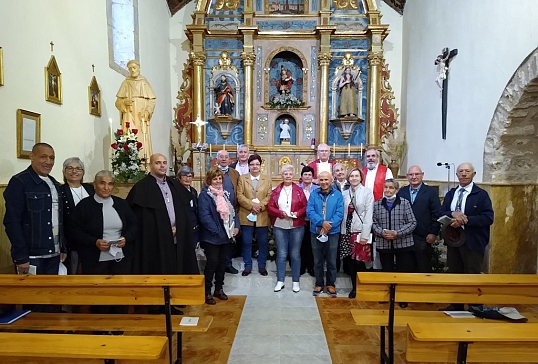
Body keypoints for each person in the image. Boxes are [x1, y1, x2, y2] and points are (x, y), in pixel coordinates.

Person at [71, 170, 137, 315]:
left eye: (110, 184)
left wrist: (126, 238)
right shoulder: (84, 206)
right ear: (94, 185)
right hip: (95, 259)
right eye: (102, 183)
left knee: (119, 294)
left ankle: (118, 328)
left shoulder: (121, 204)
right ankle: (101, 330)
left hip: (120, 258)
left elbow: (133, 225)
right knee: (100, 295)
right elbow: (75, 231)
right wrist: (94, 242)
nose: (106, 187)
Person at [126, 154, 198, 277]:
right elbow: (140, 219)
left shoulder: (174, 185)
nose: (162, 165)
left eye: (164, 162)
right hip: (155, 241)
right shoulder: (141, 188)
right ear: (150, 165)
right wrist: (165, 229)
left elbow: (184, 212)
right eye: (158, 163)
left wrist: (178, 226)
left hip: (177, 237)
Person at [4, 143, 66, 276]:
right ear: (32, 157)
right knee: (30, 296)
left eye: (52, 158)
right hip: (31, 256)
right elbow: (12, 222)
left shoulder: (54, 183)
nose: (48, 162)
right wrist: (21, 256)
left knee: (51, 295)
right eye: (43, 157)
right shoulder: (19, 182)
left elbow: (60, 219)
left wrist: (63, 246)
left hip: (54, 254)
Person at [438, 163, 494, 311]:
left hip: (473, 241)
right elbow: (441, 212)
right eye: (461, 171)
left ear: (473, 174)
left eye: (467, 171)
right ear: (456, 175)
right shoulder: (451, 194)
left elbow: (488, 218)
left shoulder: (481, 195)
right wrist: (453, 214)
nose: (463, 174)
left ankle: (475, 305)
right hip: (454, 241)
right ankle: (456, 305)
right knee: (455, 274)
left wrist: (466, 220)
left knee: (472, 274)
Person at [372, 179, 417, 307]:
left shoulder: (404, 203)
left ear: (396, 190)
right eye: (385, 187)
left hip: (402, 243)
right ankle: (387, 296)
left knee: (402, 271)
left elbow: (412, 222)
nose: (388, 190)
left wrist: (398, 232)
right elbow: (374, 222)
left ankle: (401, 297)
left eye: (391, 188)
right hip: (384, 243)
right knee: (387, 271)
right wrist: (381, 232)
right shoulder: (377, 204)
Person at [198, 167, 239, 305]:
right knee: (212, 264)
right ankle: (207, 291)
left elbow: (232, 212)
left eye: (220, 178)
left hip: (225, 236)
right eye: (215, 179)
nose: (217, 181)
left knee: (222, 264)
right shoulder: (205, 195)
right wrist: (218, 231)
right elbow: (205, 216)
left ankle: (219, 289)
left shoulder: (224, 194)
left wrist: (236, 226)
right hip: (212, 237)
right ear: (209, 180)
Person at [268, 165, 307, 292]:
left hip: (296, 225)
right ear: (282, 175)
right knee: (282, 254)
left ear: (293, 176)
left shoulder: (299, 190)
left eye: (290, 174)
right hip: (280, 225)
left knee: (295, 254)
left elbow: (305, 207)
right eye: (285, 174)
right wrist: (280, 213)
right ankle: (280, 281)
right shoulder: (276, 191)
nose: (288, 176)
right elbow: (270, 207)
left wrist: (297, 213)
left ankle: (296, 281)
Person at [397, 165, 441, 273]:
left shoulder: (431, 192)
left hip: (424, 237)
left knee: (423, 268)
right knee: (405, 268)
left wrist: (433, 233)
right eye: (411, 174)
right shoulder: (402, 192)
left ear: (422, 175)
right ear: (407, 176)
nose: (414, 177)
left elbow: (437, 214)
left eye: (417, 174)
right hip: (404, 238)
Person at [306, 171, 344, 297]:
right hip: (316, 231)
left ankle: (331, 284)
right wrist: (322, 222)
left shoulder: (338, 195)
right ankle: (319, 283)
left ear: (331, 180)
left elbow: (339, 213)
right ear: (318, 181)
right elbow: (310, 211)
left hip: (332, 232)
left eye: (326, 180)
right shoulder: (314, 194)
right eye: (321, 180)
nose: (324, 182)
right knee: (317, 260)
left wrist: (328, 226)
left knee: (332, 260)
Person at [340, 167, 374, 298]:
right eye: (352, 176)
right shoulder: (344, 193)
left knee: (360, 261)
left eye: (356, 176)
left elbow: (369, 215)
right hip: (346, 231)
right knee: (349, 261)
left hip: (359, 231)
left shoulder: (367, 193)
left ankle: (362, 288)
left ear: (361, 178)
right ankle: (354, 287)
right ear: (348, 178)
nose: (354, 178)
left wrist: (365, 235)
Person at [236, 154, 272, 276]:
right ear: (248, 166)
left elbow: (269, 195)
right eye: (252, 164)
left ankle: (262, 266)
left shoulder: (267, 179)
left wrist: (260, 206)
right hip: (246, 214)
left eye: (257, 164)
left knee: (263, 241)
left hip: (262, 215)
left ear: (260, 165)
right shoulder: (242, 178)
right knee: (246, 241)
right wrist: (252, 206)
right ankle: (247, 266)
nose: (254, 166)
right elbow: (239, 196)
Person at [115, 60, 156, 160]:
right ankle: (129, 162)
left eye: (134, 68)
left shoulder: (144, 82)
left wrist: (147, 111)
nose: (132, 70)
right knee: (129, 137)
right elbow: (118, 102)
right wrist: (124, 103)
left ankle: (144, 162)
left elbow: (152, 100)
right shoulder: (126, 82)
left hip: (141, 115)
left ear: (139, 68)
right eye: (130, 69)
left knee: (142, 138)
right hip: (129, 114)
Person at [60, 157, 95, 275]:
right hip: (71, 238)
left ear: (83, 172)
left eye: (78, 169)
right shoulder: (61, 190)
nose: (74, 171)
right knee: (73, 270)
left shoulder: (90, 188)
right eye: (70, 168)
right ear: (64, 172)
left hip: (91, 238)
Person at [362, 146, 393, 270]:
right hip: (364, 212)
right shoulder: (362, 171)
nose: (370, 158)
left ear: (378, 158)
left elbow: (390, 190)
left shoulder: (386, 171)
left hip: (381, 210)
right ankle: (367, 266)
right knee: (366, 238)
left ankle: (378, 268)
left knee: (379, 239)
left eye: (373, 156)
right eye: (368, 156)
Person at [216, 149, 240, 274]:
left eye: (226, 157)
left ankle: (228, 263)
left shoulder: (235, 173)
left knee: (231, 238)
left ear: (230, 159)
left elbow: (239, 189)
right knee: (220, 238)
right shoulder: (212, 173)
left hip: (232, 210)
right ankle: (219, 264)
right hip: (217, 211)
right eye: (221, 157)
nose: (224, 159)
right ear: (217, 159)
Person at [297, 166, 319, 276]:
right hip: (300, 221)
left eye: (309, 174)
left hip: (313, 221)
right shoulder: (296, 188)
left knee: (312, 246)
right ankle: (300, 267)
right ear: (301, 176)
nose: (307, 176)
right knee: (300, 245)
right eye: (305, 174)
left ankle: (311, 267)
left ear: (312, 176)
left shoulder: (317, 189)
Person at [177, 166, 199, 250]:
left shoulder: (193, 191)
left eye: (190, 176)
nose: (187, 179)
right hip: (182, 226)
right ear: (179, 178)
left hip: (194, 226)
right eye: (184, 176)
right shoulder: (175, 191)